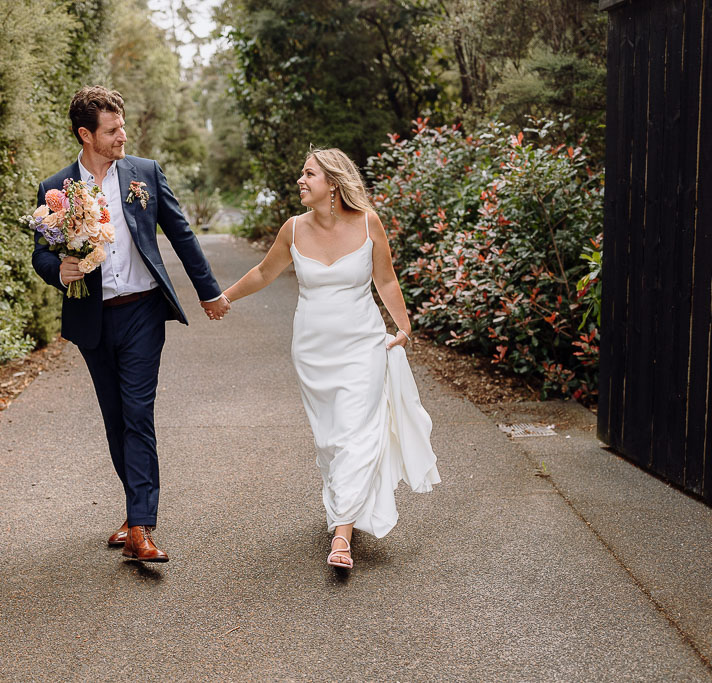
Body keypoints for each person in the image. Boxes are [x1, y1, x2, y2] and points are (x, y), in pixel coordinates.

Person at [32, 86, 230, 563]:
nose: (123, 134)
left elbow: (181, 232)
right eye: (112, 129)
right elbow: (40, 251)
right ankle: (133, 507)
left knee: (138, 415)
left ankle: (142, 526)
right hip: (93, 318)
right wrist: (57, 270)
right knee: (116, 419)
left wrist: (209, 292)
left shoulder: (144, 174)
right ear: (86, 134)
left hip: (143, 311)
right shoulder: (55, 189)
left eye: (123, 125)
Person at [221, 147, 440, 569]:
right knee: (331, 440)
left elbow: (386, 279)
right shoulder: (293, 228)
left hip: (363, 345)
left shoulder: (367, 222)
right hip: (312, 350)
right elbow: (265, 272)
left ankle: (341, 536)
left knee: (356, 433)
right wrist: (224, 297)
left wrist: (405, 328)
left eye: (309, 174)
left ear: (333, 183)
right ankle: (345, 506)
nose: (301, 181)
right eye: (302, 174)